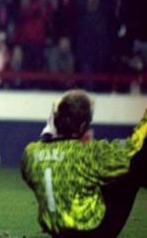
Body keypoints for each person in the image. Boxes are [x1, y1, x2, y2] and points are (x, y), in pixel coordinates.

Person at [21, 89, 146, 238]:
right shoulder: (88, 153)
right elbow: (133, 147)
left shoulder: (31, 153)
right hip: (91, 232)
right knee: (136, 165)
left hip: (56, 231)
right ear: (82, 126)